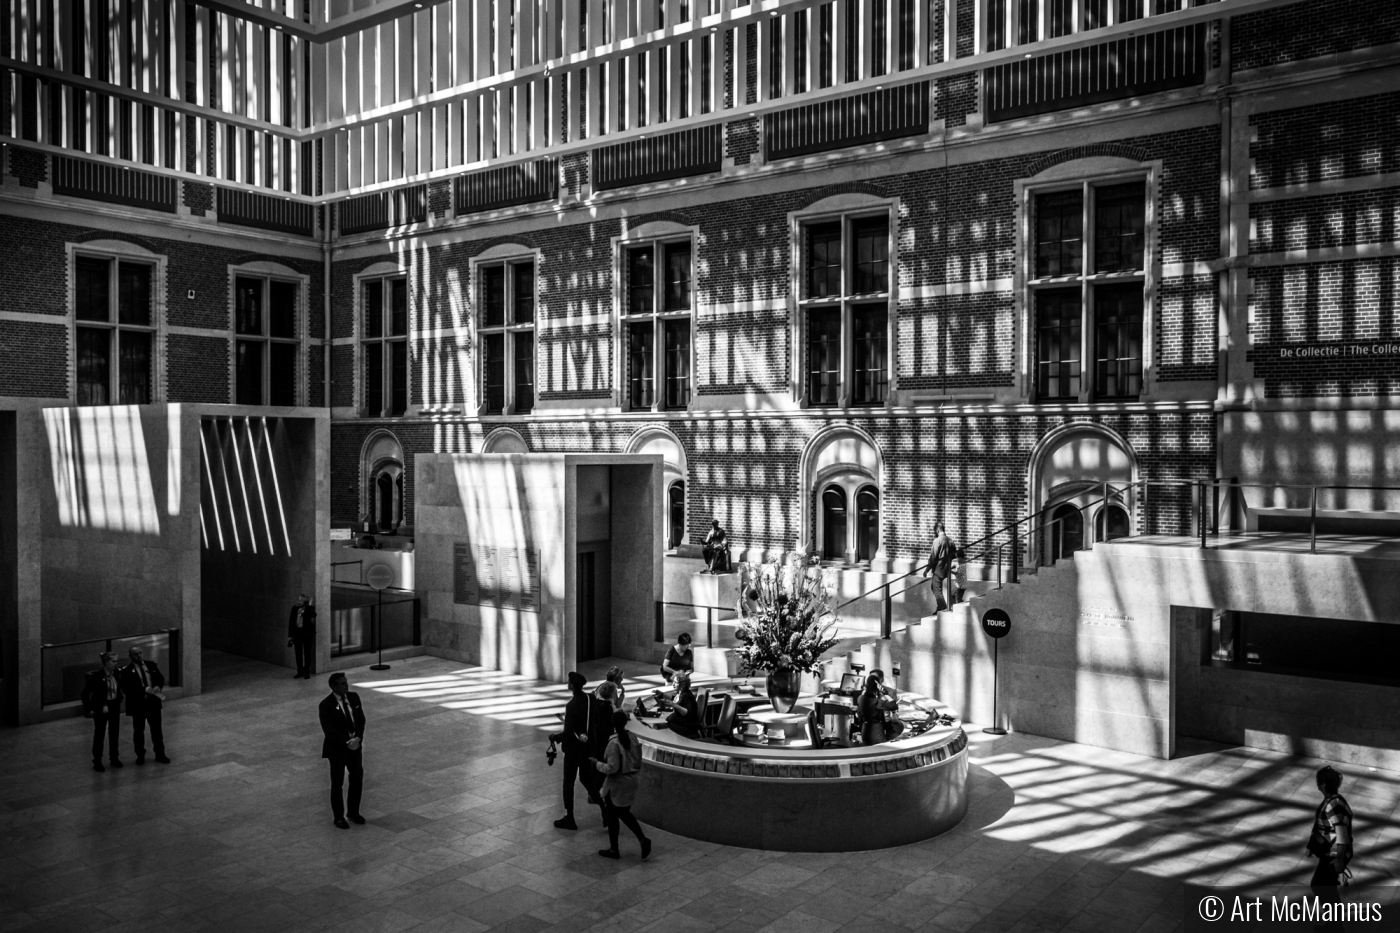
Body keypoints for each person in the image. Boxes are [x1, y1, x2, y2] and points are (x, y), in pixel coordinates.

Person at [591, 710, 652, 860]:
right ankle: (636, 841)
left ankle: (617, 848)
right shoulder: (633, 737)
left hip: (617, 784)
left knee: (616, 816)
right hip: (632, 780)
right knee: (621, 813)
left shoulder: (613, 743)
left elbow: (612, 768)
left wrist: (596, 764)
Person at [550, 672, 604, 830]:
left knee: (568, 783)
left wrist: (555, 737)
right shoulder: (590, 698)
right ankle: (603, 807)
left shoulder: (571, 705)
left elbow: (568, 732)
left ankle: (570, 817)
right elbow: (594, 720)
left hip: (574, 750)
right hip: (588, 747)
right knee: (586, 778)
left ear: (572, 685)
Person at [318, 673, 367, 829]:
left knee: (356, 778)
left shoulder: (354, 697)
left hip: (355, 747)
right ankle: (338, 817)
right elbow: (329, 730)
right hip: (338, 750)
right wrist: (348, 742)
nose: (346, 686)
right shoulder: (325, 705)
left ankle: (353, 812)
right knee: (337, 783)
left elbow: (361, 719)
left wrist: (358, 738)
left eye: (346, 683)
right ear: (334, 686)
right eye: (342, 684)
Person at [119, 646, 169, 765]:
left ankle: (160, 753)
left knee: (157, 730)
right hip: (139, 705)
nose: (139, 656)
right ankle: (140, 755)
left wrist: (158, 686)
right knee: (139, 731)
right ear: (130, 656)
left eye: (140, 653)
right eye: (136, 654)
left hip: (153, 703)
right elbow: (126, 689)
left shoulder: (151, 665)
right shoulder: (126, 671)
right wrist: (143, 689)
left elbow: (160, 678)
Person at [1308, 765, 1354, 892]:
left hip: (1334, 855)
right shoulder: (1330, 801)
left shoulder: (1334, 805)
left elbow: (1342, 835)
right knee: (1327, 886)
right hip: (1329, 852)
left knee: (1319, 886)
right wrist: (1312, 846)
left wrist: (1339, 859)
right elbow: (1322, 826)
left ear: (1322, 785)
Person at [80, 652, 124, 772]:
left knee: (114, 733)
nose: (116, 663)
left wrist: (119, 698)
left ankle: (114, 757)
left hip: (114, 706)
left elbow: (118, 687)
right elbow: (85, 693)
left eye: (116, 661)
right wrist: (89, 709)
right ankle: (97, 760)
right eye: (113, 661)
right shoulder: (97, 676)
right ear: (106, 662)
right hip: (101, 707)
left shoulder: (117, 673)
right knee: (100, 734)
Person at [856, 672, 904, 746]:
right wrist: (885, 693)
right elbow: (894, 705)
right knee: (878, 749)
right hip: (876, 729)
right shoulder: (877, 701)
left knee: (867, 749)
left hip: (865, 728)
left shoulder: (860, 698)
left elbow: (859, 716)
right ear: (877, 686)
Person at [921, 522, 958, 612]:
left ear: (937, 530)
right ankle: (940, 606)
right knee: (934, 587)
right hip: (946, 569)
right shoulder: (950, 540)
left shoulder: (937, 541)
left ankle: (942, 606)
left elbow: (933, 557)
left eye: (935, 531)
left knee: (936, 589)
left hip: (938, 569)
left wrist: (927, 569)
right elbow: (954, 555)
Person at [658, 671, 702, 739]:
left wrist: (674, 705)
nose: (673, 684)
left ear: (682, 684)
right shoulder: (681, 693)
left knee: (661, 726)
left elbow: (687, 712)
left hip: (687, 727)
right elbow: (676, 700)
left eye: (675, 682)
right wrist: (662, 695)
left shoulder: (687, 696)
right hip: (681, 724)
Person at [287, 594, 317, 679]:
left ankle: (306, 671)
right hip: (297, 633)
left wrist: (305, 611)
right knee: (298, 653)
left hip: (307, 633)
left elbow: (313, 615)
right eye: (298, 600)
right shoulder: (294, 608)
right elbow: (291, 621)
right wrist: (290, 635)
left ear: (305, 602)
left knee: (307, 653)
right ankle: (299, 671)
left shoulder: (309, 608)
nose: (298, 602)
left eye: (300, 601)